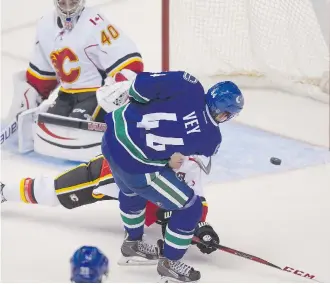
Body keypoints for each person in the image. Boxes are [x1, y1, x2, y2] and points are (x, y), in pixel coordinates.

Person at [98, 71, 244, 282]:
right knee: (189, 207)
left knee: (130, 191)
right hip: (136, 166)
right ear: (225, 114)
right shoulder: (212, 139)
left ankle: (133, 243)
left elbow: (139, 87)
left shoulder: (188, 84)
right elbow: (185, 154)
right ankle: (170, 263)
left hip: (111, 140)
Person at [0, 155, 219, 256]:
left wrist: (201, 228)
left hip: (140, 188)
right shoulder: (166, 150)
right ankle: (4, 192)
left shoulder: (193, 164)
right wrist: (171, 217)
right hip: (112, 174)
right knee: (55, 191)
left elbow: (194, 201)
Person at [23, 0, 143, 122]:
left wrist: (115, 92)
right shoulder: (45, 25)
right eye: (63, 3)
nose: (68, 9)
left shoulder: (96, 23)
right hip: (65, 95)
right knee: (47, 124)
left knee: (75, 127)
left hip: (95, 94)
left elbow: (131, 62)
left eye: (73, 2)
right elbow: (42, 77)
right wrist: (30, 95)